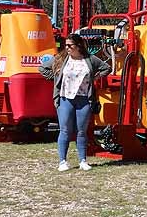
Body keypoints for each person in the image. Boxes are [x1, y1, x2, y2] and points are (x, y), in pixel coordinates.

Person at [38, 34, 111, 172]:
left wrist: (95, 77)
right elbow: (42, 68)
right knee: (65, 130)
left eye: (70, 45)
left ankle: (83, 160)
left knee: (81, 131)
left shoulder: (90, 59)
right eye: (66, 45)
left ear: (78, 46)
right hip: (65, 98)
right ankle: (62, 161)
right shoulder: (61, 58)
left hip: (84, 99)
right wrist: (55, 77)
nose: (67, 48)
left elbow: (106, 68)